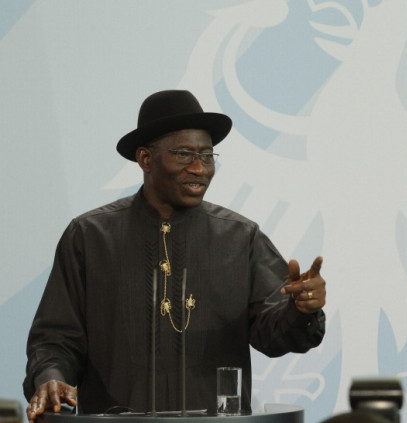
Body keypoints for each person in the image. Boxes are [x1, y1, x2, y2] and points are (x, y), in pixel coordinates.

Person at [24, 90, 327, 421]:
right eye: (184, 154)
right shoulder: (90, 236)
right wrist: (50, 378)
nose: (200, 168)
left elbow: (275, 334)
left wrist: (300, 310)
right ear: (145, 159)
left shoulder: (241, 238)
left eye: (208, 156)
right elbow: (55, 338)